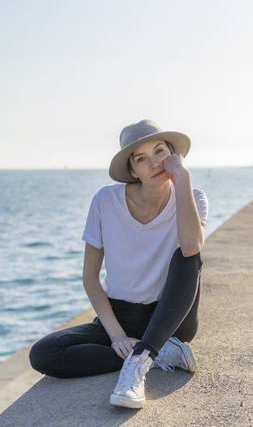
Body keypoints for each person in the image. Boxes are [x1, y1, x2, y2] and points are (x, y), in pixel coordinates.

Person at [29, 119, 208, 409]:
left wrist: (182, 177)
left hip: (170, 318)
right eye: (142, 158)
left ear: (174, 155)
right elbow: (90, 277)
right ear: (132, 170)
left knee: (190, 255)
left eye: (160, 151)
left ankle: (140, 360)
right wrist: (116, 335)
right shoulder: (105, 201)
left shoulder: (192, 198)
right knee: (44, 353)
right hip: (120, 315)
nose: (154, 163)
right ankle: (156, 353)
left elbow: (190, 246)